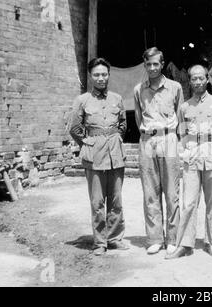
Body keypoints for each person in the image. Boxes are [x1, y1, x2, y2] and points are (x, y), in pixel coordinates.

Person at [69, 58, 128, 256]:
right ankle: (100, 242)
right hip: (94, 156)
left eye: (104, 74)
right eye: (97, 75)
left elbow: (123, 125)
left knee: (116, 199)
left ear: (109, 75)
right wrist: (87, 143)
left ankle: (115, 238)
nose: (101, 78)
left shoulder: (117, 99)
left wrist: (116, 138)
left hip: (115, 154)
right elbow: (75, 128)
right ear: (91, 76)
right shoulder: (82, 100)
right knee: (97, 202)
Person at [165, 65, 212, 259]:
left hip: (211, 155)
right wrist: (183, 155)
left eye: (201, 78)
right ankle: (186, 244)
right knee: (189, 202)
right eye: (193, 79)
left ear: (207, 79)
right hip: (191, 157)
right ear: (189, 82)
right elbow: (181, 134)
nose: (197, 82)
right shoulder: (184, 107)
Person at [134, 47, 183, 255]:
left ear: (162, 64)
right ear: (144, 65)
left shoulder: (175, 87)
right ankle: (155, 238)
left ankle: (173, 238)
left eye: (156, 64)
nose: (152, 68)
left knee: (172, 192)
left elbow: (181, 116)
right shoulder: (139, 89)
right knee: (150, 192)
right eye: (148, 64)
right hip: (147, 140)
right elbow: (138, 117)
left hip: (169, 137)